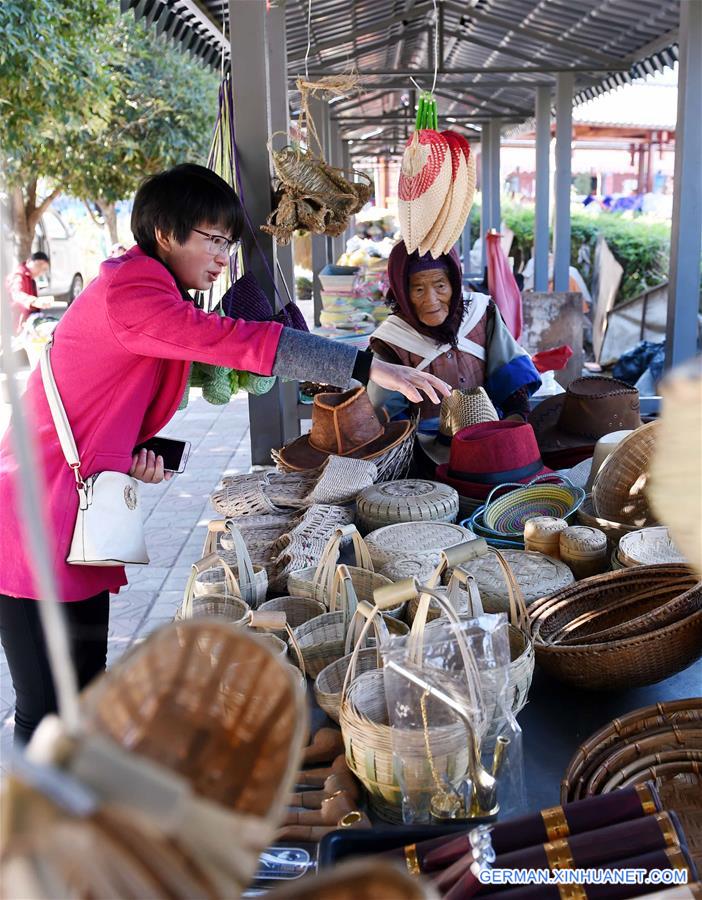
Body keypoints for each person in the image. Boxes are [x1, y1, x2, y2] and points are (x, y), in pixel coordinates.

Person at [0, 164, 450, 745]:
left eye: (228, 243)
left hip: (75, 505)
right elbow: (238, 341)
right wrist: (367, 365)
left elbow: (104, 391)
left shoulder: (148, 287)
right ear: (166, 232)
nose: (221, 257)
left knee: (83, 689)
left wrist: (131, 448)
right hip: (34, 511)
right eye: (213, 240)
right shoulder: (130, 289)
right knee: (46, 704)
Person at [367, 243, 541, 425]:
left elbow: (511, 377)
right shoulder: (391, 339)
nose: (431, 300)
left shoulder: (481, 312)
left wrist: (514, 421)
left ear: (455, 284)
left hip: (489, 433)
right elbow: (386, 413)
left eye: (440, 286)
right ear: (402, 292)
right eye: (418, 289)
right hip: (424, 445)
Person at [5, 251, 52, 334]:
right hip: (9, 325)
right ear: (29, 261)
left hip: (21, 326)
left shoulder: (30, 279)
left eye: (44, 269)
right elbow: (16, 293)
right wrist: (34, 301)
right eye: (39, 265)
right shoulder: (18, 275)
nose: (40, 270)